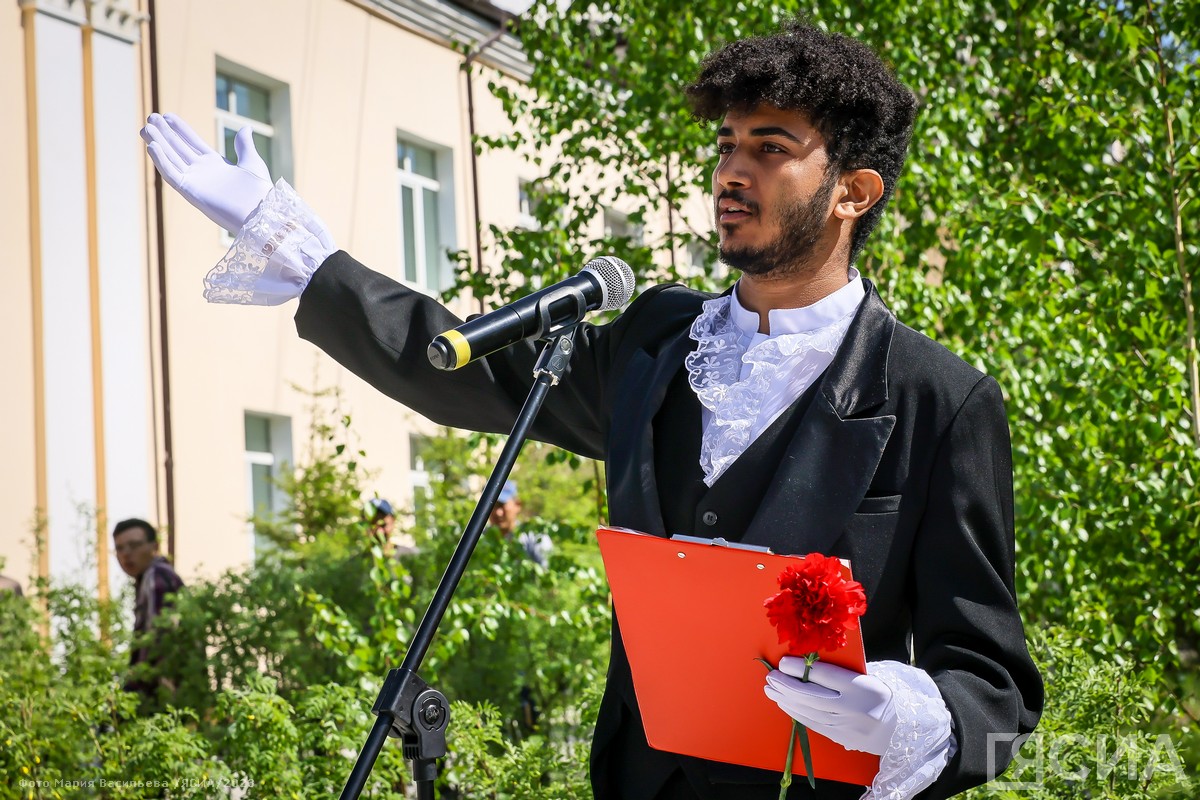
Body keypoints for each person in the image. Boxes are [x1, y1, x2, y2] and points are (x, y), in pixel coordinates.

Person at [140, 19, 1042, 799]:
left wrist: (909, 714)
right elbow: (472, 371)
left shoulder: (940, 399)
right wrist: (302, 256)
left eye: (769, 148)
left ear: (854, 190)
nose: (731, 171)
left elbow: (995, 688)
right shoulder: (658, 339)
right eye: (726, 145)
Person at [113, 518, 185, 701]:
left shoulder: (157, 576)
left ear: (154, 546)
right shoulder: (149, 578)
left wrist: (138, 689)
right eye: (119, 548)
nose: (126, 554)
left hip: (165, 693)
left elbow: (159, 639)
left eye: (134, 545)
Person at [489, 480, 553, 568]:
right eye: (492, 506)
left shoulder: (535, 538)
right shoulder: (479, 538)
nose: (498, 512)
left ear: (517, 505)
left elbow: (546, 571)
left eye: (501, 505)